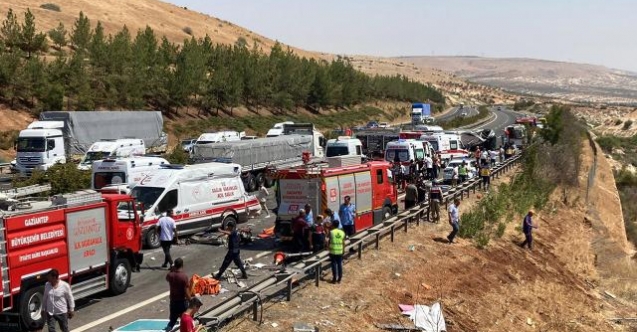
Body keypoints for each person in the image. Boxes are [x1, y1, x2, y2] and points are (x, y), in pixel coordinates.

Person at [165, 258, 190, 332]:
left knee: (172, 321)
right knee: (186, 319)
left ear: (174, 265)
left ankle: (168, 330)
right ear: (182, 265)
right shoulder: (184, 277)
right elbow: (186, 292)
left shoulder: (170, 275)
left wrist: (172, 269)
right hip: (182, 302)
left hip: (173, 302)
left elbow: (167, 278)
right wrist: (191, 301)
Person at [327, 219, 345, 283]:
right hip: (340, 251)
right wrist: (343, 250)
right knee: (339, 264)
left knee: (334, 265)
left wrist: (327, 249)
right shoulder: (342, 232)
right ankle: (339, 278)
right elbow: (343, 242)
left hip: (333, 251)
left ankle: (334, 278)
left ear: (333, 225)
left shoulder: (331, 232)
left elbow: (328, 241)